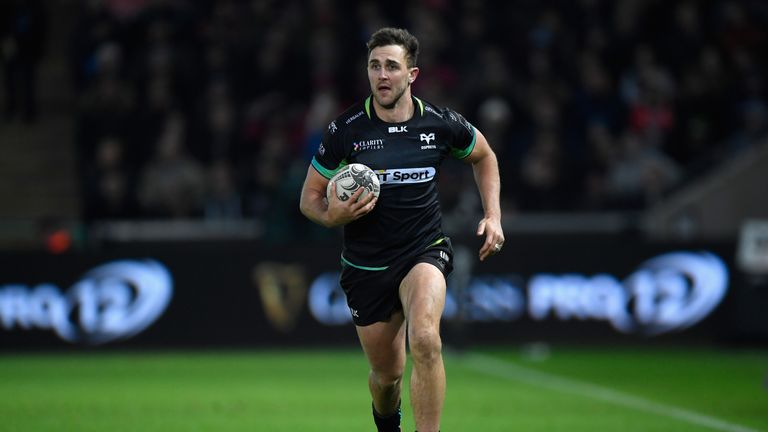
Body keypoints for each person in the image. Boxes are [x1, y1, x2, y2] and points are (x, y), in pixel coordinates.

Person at [299, 27, 504, 432]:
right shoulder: (347, 130)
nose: (382, 75)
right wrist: (332, 217)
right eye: (375, 66)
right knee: (386, 377)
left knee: (426, 339)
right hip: (367, 266)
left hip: (423, 251)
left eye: (391, 66)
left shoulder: (440, 123)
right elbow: (310, 198)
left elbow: (484, 155)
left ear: (412, 74)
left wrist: (493, 214)